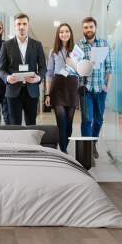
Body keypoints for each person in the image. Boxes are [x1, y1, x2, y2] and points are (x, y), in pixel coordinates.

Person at [0, 13, 46, 125]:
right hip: (13, 91)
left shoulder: (37, 45)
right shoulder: (6, 45)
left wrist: (38, 78)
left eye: (24, 24)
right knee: (14, 124)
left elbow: (43, 67)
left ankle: (30, 143)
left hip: (32, 91)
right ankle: (16, 143)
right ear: (15, 26)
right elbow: (1, 69)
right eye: (18, 24)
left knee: (31, 124)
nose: (21, 27)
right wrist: (7, 77)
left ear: (28, 26)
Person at [77, 17, 112, 159]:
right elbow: (74, 67)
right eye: (85, 27)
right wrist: (84, 65)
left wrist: (107, 87)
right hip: (85, 89)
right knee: (87, 120)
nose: (88, 30)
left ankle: (93, 144)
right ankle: (87, 149)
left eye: (91, 27)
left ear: (95, 28)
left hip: (100, 89)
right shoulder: (79, 45)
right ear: (83, 29)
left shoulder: (104, 43)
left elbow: (109, 67)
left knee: (99, 120)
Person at [45, 23, 78, 153]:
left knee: (69, 122)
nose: (64, 34)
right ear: (58, 35)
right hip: (57, 86)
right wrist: (48, 94)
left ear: (70, 34)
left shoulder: (76, 51)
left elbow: (81, 71)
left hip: (72, 86)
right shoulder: (53, 51)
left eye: (67, 31)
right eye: (61, 32)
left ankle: (64, 142)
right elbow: (49, 72)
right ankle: (63, 150)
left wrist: (74, 64)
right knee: (61, 120)